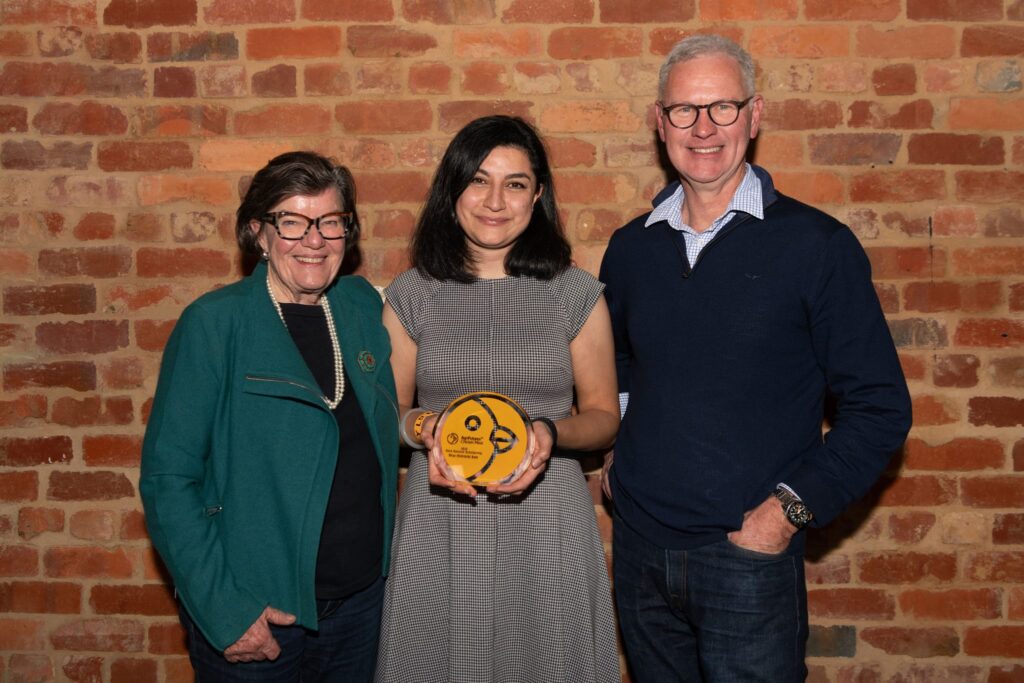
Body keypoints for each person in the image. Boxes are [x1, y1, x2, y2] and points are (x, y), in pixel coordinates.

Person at [599, 35, 913, 682]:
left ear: (755, 114)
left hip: (746, 561)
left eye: (723, 107)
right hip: (640, 552)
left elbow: (880, 408)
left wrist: (786, 513)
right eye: (685, 110)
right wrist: (615, 458)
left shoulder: (817, 247)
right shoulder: (630, 250)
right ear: (660, 123)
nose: (704, 127)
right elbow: (622, 361)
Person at [375, 115, 621, 682]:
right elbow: (384, 415)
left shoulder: (575, 294)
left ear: (537, 195)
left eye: (514, 183)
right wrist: (425, 429)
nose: (494, 201)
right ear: (452, 189)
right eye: (478, 180)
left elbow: (605, 418)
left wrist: (550, 432)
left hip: (547, 520)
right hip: (441, 517)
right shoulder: (414, 294)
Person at [140, 151, 399, 682]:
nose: (315, 239)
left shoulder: (362, 310)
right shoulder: (215, 324)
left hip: (361, 608)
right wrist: (225, 610)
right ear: (258, 233)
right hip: (260, 613)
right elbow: (168, 481)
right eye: (292, 221)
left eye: (331, 222)